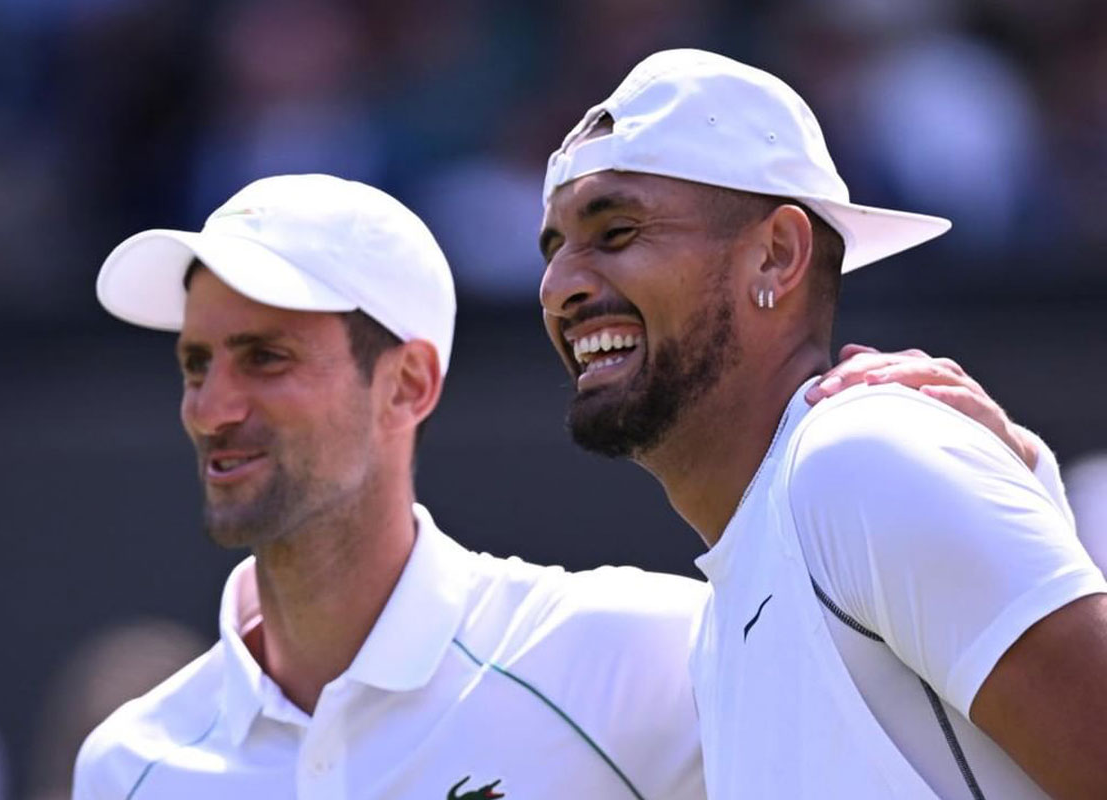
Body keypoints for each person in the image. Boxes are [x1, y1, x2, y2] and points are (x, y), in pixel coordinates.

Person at [75, 173, 1051, 799]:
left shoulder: (646, 651)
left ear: (407, 382)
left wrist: (1015, 477)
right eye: (196, 363)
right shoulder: (126, 764)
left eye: (266, 357)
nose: (212, 405)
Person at [538, 49, 1107, 799]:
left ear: (776, 257)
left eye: (616, 232)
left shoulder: (858, 464)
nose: (559, 286)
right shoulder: (730, 617)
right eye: (553, 249)